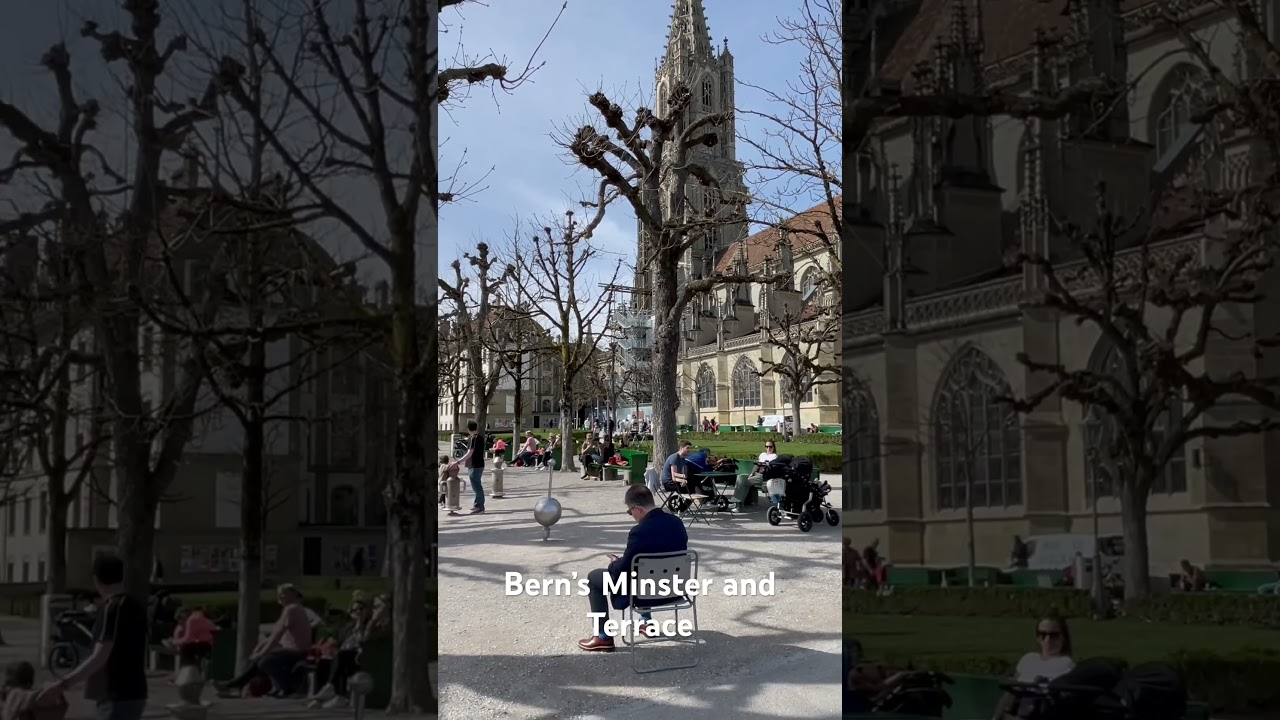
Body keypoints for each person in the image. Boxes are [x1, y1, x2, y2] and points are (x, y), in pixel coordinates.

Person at [578, 486, 689, 652]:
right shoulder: (677, 523)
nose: (632, 516)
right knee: (645, 571)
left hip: (645, 594)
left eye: (630, 512)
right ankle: (646, 622)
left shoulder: (639, 532)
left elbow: (622, 570)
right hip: (674, 589)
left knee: (594, 577)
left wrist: (614, 563)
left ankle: (603, 636)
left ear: (638, 509)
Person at [36, 554, 147, 720]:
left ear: (96, 579)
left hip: (115, 694)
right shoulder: (135, 606)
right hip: (135, 691)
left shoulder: (111, 608)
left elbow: (100, 656)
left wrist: (63, 683)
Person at [216, 584, 314, 698]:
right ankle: (237, 685)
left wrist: (262, 652)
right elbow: (275, 635)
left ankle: (286, 688)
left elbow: (277, 634)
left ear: (294, 594)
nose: (281, 596)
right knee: (262, 659)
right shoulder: (295, 608)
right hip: (292, 649)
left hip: (296, 650)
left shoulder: (291, 609)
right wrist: (261, 647)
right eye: (279, 594)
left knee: (265, 661)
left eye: (284, 593)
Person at [991, 614, 1076, 719]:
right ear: (1038, 638)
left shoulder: (1066, 664)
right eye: (1043, 635)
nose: (1047, 640)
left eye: (1053, 635)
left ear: (1063, 638)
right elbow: (1010, 691)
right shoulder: (1029, 658)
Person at [307, 600, 373, 709]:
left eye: (361, 609)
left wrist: (361, 624)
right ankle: (320, 699)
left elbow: (363, 641)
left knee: (342, 657)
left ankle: (338, 694)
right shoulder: (348, 627)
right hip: (342, 655)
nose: (358, 612)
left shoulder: (367, 625)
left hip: (357, 656)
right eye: (355, 609)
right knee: (324, 662)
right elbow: (338, 641)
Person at [728, 441, 779, 512]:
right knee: (740, 477)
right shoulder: (762, 454)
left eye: (770, 447)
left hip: (763, 476)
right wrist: (751, 473)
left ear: (773, 448)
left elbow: (772, 468)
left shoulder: (774, 456)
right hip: (756, 474)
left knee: (743, 482)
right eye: (767, 447)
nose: (768, 448)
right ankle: (737, 503)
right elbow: (756, 465)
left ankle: (737, 505)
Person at [448, 419, 486, 514]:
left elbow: (470, 453)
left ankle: (480, 506)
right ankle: (477, 504)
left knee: (476, 486)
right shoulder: (481, 438)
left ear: (468, 429)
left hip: (474, 464)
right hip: (479, 464)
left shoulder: (473, 438)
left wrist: (458, 462)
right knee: (477, 485)